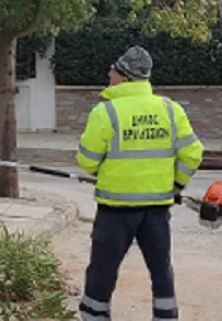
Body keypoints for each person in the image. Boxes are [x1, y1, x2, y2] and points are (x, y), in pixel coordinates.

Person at [75, 46, 204, 321]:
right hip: (157, 208)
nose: (109, 75)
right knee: (160, 268)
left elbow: (87, 161)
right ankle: (166, 316)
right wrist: (176, 186)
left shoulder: (105, 112)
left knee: (103, 269)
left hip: (115, 210)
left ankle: (94, 316)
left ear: (124, 76)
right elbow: (193, 153)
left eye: (113, 70)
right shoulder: (171, 110)